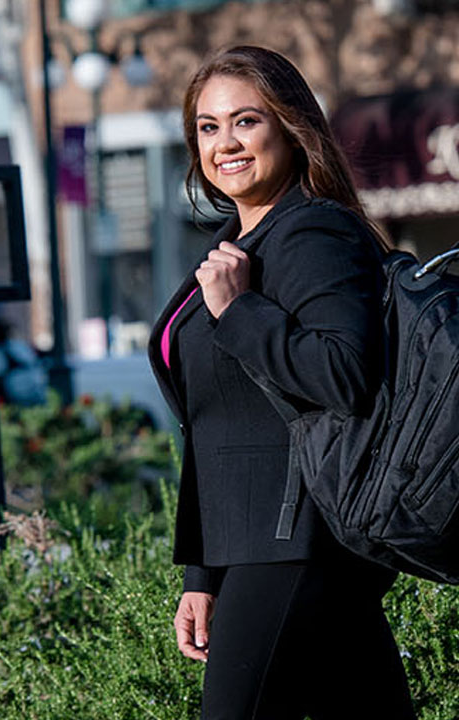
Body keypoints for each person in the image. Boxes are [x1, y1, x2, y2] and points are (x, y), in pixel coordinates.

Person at [145, 46, 416, 719]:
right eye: (207, 128)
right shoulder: (243, 243)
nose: (224, 143)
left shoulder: (314, 233)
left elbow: (343, 374)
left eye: (245, 121)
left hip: (300, 541)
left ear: (291, 129)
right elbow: (215, 423)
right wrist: (202, 573)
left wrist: (239, 312)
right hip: (263, 542)